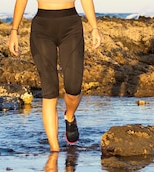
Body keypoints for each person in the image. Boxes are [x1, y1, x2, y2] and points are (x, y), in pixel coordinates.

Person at [8, 0, 102, 152]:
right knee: (49, 90)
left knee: (73, 86)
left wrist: (94, 27)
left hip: (71, 26)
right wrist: (14, 30)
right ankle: (55, 150)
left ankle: (69, 116)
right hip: (42, 28)